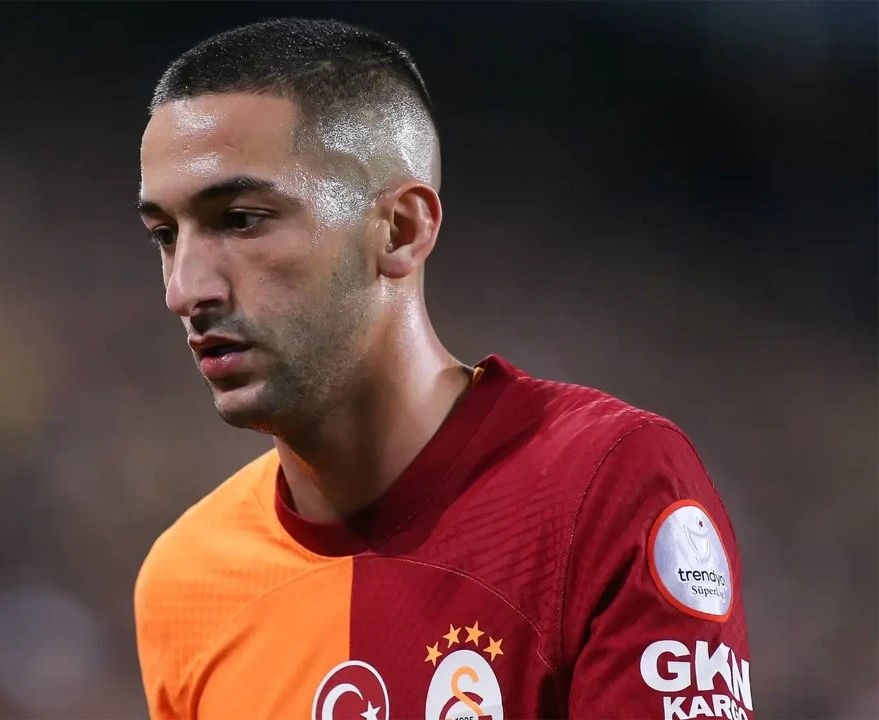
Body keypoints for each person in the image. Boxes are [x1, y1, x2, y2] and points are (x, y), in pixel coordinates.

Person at [133, 17, 752, 720]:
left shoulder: (603, 484)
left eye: (241, 219)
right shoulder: (185, 585)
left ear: (401, 230)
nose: (184, 290)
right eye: (164, 235)